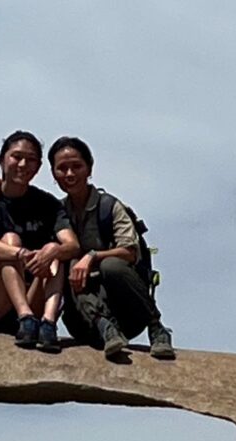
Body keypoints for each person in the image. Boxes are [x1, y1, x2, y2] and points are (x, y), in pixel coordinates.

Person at [49, 137, 175, 359]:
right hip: (85, 320)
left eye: (76, 166)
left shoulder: (109, 207)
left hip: (129, 311)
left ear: (89, 168)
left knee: (111, 265)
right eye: (62, 168)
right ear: (53, 174)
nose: (69, 174)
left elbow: (130, 252)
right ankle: (105, 327)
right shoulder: (56, 212)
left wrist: (92, 256)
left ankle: (156, 328)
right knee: (65, 260)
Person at [0, 131, 79, 353]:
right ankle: (24, 316)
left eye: (31, 159)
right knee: (9, 241)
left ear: (37, 167)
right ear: (2, 159)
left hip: (33, 294)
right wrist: (20, 254)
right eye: (16, 156)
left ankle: (47, 322)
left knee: (55, 251)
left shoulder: (48, 204)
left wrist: (52, 250)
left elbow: (72, 245)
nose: (23, 164)